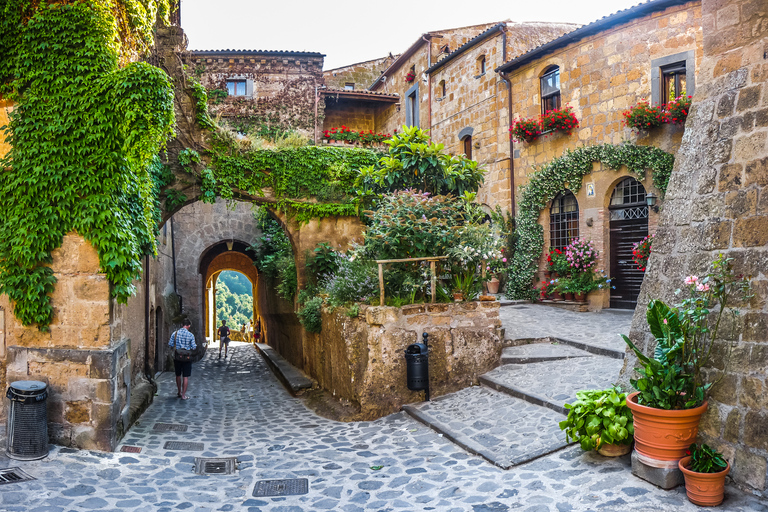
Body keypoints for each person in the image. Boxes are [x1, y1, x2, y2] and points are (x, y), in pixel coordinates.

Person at [169, 319, 196, 400]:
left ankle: (179, 392)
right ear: (189, 326)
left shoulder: (175, 333)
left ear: (182, 324)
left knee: (178, 375)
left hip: (177, 357)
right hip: (187, 358)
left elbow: (170, 344)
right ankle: (184, 395)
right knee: (185, 376)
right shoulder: (190, 335)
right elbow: (194, 347)